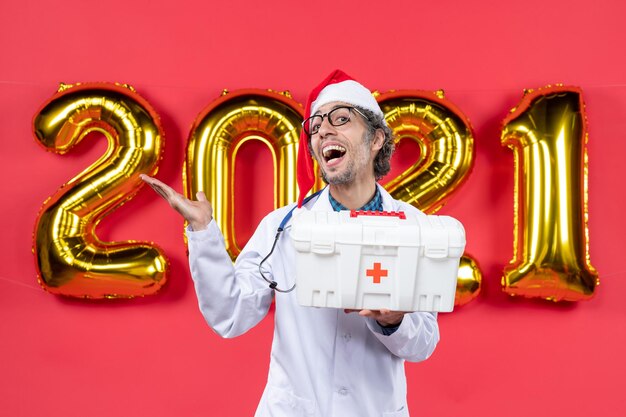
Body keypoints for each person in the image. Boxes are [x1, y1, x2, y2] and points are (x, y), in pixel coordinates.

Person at [141, 70, 439, 417]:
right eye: (315, 125)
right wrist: (203, 229)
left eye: (341, 119)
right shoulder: (283, 228)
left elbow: (423, 344)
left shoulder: (415, 228)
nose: (323, 129)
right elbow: (230, 314)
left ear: (376, 140)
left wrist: (395, 320)